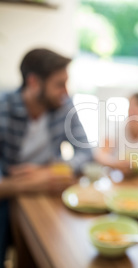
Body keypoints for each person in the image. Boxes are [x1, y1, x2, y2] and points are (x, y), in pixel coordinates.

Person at [0, 48, 93, 265]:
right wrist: (25, 184)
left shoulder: (64, 106)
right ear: (34, 83)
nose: (66, 92)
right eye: (59, 84)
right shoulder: (4, 107)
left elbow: (86, 152)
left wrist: (47, 172)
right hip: (9, 191)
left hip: (49, 188)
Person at [95, 92, 138, 176]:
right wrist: (115, 163)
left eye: (137, 110)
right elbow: (101, 155)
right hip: (116, 175)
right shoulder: (117, 128)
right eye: (130, 109)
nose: (132, 113)